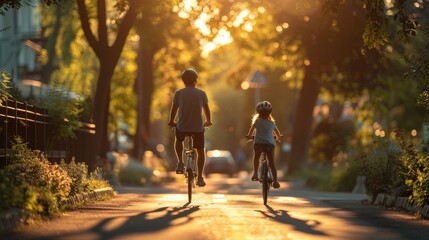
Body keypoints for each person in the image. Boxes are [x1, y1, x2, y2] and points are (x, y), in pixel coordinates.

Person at [168, 68, 212, 187]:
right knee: (200, 150)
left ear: (183, 81)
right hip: (198, 127)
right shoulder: (201, 93)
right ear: (196, 80)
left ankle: (180, 162)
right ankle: (200, 177)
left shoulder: (179, 93)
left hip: (182, 126)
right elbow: (206, 110)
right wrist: (208, 121)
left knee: (179, 140)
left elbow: (174, 109)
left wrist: (171, 121)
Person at [246, 101, 282, 188]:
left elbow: (250, 133)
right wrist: (278, 138)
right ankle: (276, 181)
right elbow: (278, 135)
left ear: (258, 113)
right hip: (270, 144)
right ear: (270, 113)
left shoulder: (257, 122)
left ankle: (255, 173)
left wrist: (250, 137)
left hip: (258, 144)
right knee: (272, 163)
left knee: (256, 157)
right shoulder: (272, 123)